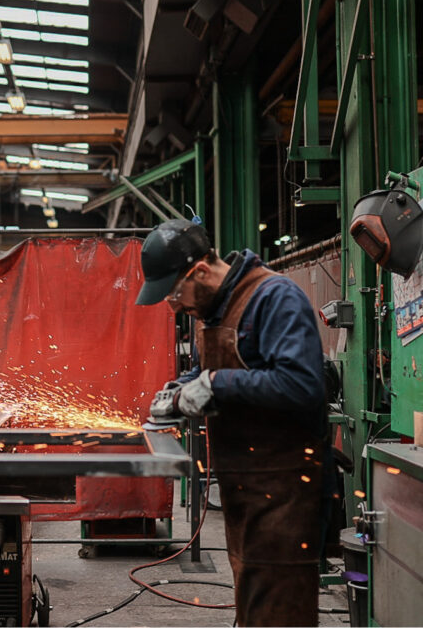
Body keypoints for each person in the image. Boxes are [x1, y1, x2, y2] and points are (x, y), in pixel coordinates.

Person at [136, 219, 328, 627]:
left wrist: (215, 385)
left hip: (285, 490)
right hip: (245, 489)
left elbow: (302, 385)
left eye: (175, 294)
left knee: (281, 611)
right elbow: (211, 369)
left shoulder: (275, 297)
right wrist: (181, 388)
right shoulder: (212, 309)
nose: (174, 307)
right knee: (254, 602)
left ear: (201, 271)